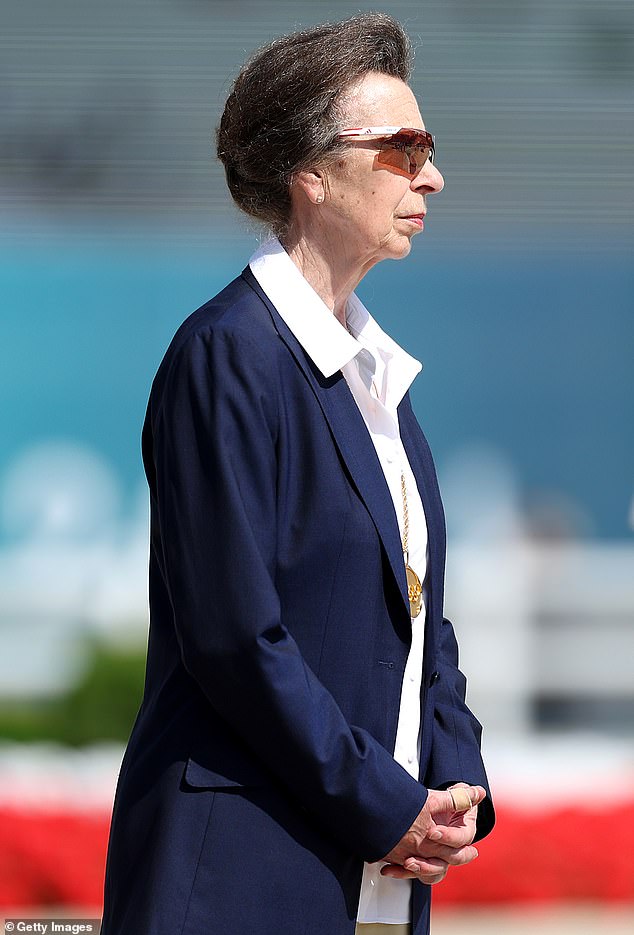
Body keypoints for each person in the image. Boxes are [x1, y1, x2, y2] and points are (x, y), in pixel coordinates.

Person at [100, 12, 494, 935]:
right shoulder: (227, 354)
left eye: (428, 148)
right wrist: (385, 804)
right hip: (239, 871)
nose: (430, 174)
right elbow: (236, 638)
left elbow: (419, 621)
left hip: (370, 884)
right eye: (402, 148)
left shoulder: (379, 379)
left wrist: (454, 771)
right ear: (311, 174)